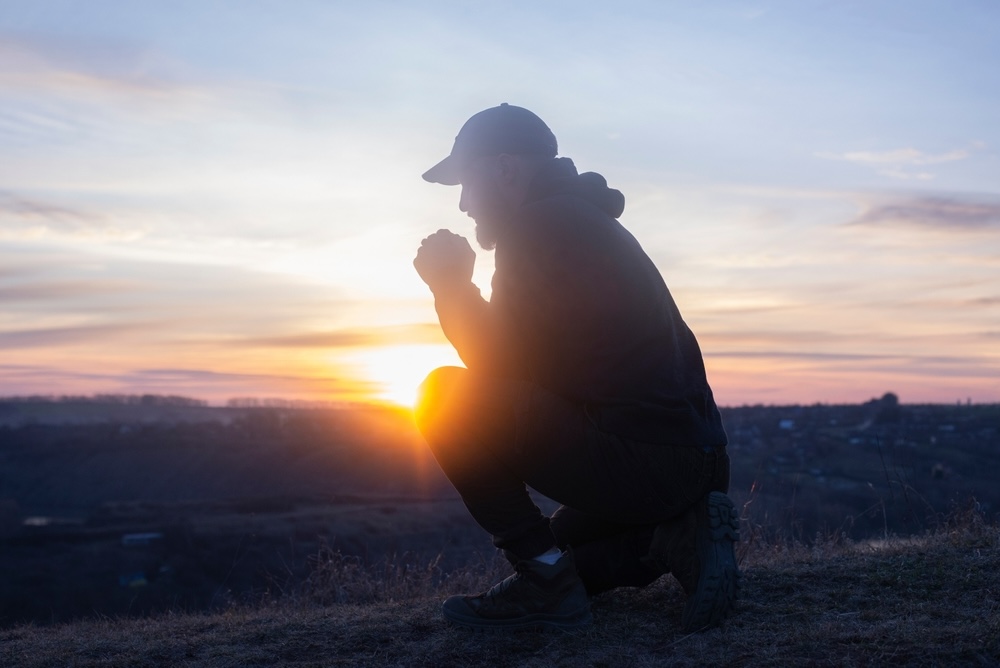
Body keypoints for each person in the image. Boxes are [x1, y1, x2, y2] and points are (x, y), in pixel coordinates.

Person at [412, 103, 739, 633]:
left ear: (505, 169)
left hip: (645, 460)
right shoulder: (578, 220)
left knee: (442, 397)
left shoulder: (537, 227)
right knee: (564, 549)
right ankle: (675, 538)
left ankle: (545, 585)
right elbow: (544, 371)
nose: (466, 204)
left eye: (466, 182)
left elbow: (500, 369)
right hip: (695, 463)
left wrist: (450, 285)